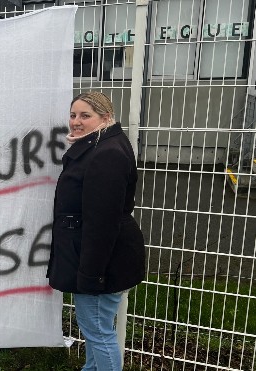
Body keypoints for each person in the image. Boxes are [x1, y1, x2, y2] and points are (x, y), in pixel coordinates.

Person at [47, 91, 145, 370]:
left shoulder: (106, 154)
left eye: (85, 115)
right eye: (73, 114)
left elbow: (102, 225)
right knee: (95, 329)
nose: (76, 121)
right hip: (100, 257)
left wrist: (91, 274)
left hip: (100, 261)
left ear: (105, 117)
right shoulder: (101, 145)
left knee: (99, 332)